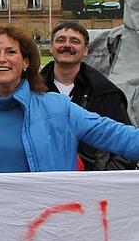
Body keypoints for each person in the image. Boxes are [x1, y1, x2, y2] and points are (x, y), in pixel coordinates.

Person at [0, 25, 139, 175]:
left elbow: (117, 135)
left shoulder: (58, 108)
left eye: (11, 52)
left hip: (48, 225)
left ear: (26, 62)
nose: (1, 58)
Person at [41, 21, 136, 170]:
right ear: (51, 48)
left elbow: (124, 144)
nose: (67, 45)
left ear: (86, 50)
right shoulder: (32, 92)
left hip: (94, 185)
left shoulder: (106, 93)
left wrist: (104, 177)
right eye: (60, 40)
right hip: (46, 181)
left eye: (74, 41)